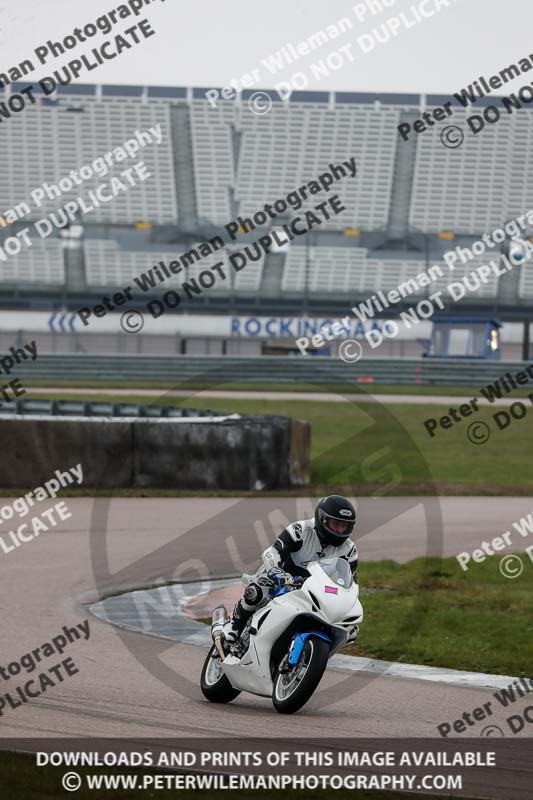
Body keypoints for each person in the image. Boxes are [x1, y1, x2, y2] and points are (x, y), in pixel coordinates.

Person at [223, 495, 359, 643]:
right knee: (258, 590)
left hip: (316, 587)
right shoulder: (301, 530)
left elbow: (350, 585)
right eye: (336, 524)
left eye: (344, 526)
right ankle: (235, 623)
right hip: (283, 576)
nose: (340, 530)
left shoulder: (349, 550)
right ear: (322, 519)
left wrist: (348, 614)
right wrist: (278, 573)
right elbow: (272, 552)